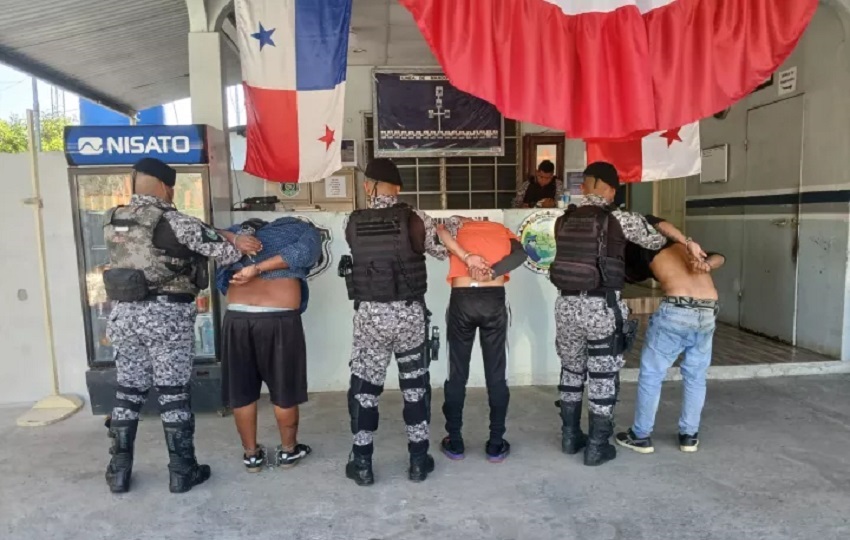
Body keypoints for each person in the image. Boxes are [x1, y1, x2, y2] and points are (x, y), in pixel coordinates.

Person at [102, 158, 260, 494]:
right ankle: (182, 470)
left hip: (123, 315)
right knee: (172, 393)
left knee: (128, 391)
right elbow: (225, 254)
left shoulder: (114, 218)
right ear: (165, 187)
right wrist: (237, 239)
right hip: (165, 317)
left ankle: (118, 470)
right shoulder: (174, 220)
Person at [549, 161, 704, 467]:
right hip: (601, 307)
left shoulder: (564, 220)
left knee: (571, 369)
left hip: (565, 306)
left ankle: (569, 437)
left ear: (585, 186)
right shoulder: (619, 219)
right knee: (603, 375)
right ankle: (597, 445)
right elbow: (657, 241)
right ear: (611, 188)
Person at [342, 158, 470, 486]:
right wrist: (455, 225)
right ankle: (417, 461)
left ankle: (363, 464)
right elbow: (443, 251)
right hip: (409, 315)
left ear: (368, 186)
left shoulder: (352, 221)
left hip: (370, 315)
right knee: (415, 387)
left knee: (364, 389)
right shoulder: (416, 218)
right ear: (398, 188)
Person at [215, 216, 322, 472]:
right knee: (284, 390)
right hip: (279, 320)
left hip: (238, 318)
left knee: (242, 392)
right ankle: (288, 451)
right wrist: (259, 267)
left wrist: (235, 239)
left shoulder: (236, 234)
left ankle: (251, 455)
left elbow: (204, 231)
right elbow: (302, 253)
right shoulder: (303, 230)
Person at [616, 215, 725, 454]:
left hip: (678, 309)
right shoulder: (686, 247)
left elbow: (629, 273)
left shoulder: (645, 244)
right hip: (708, 311)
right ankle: (689, 436)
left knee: (652, 373)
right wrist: (706, 264)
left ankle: (641, 435)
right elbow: (720, 256)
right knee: (696, 375)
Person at [435, 218, 527, 463]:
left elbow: (439, 233)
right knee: (496, 374)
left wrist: (465, 257)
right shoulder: (502, 230)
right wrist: (493, 272)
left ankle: (455, 442)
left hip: (462, 298)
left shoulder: (456, 229)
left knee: (457, 372)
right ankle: (496, 444)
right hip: (493, 298)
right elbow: (521, 255)